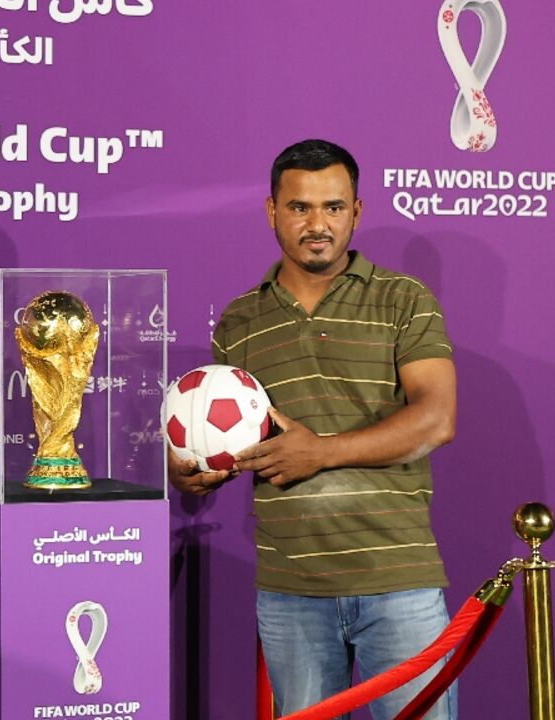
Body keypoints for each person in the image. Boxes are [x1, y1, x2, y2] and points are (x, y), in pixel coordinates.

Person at [170, 139, 458, 719]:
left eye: (333, 206)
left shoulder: (403, 300)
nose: (318, 224)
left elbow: (437, 418)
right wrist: (196, 470)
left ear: (357, 210)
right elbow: (238, 440)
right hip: (290, 591)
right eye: (300, 207)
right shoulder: (240, 318)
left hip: (397, 580)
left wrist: (319, 453)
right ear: (272, 211)